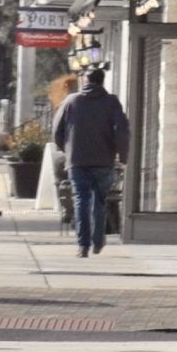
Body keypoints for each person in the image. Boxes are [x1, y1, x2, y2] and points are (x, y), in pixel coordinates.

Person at [53, 65, 130, 256]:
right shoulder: (111, 103)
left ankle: (83, 245)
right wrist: (123, 156)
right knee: (100, 201)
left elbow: (57, 130)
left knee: (81, 201)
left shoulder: (71, 101)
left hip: (77, 161)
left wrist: (67, 149)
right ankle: (98, 240)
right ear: (103, 81)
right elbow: (122, 130)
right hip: (104, 160)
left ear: (85, 81)